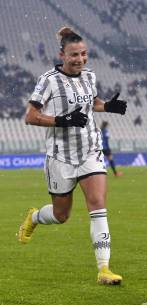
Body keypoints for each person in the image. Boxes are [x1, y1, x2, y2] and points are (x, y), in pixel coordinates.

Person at [19, 27, 127, 285]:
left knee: (98, 203)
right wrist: (62, 120)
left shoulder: (89, 76)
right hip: (61, 157)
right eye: (74, 55)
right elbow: (30, 116)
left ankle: (104, 269)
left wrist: (107, 106)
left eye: (84, 54)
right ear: (62, 55)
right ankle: (34, 217)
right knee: (61, 215)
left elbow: (91, 103)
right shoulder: (48, 80)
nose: (80, 59)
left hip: (90, 151)